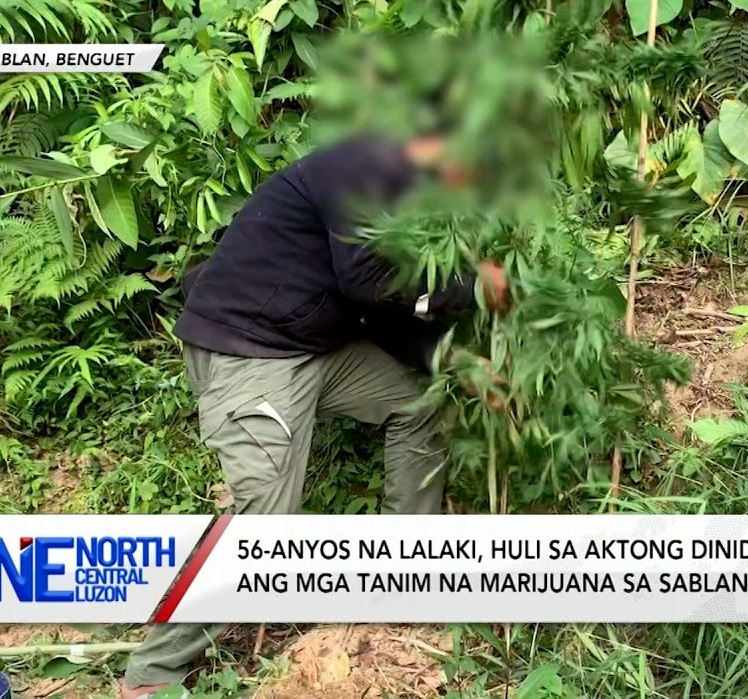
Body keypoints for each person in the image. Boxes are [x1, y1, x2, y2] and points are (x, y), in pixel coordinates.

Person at [118, 132, 509, 698]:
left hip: (313, 348)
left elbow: (379, 311)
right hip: (246, 351)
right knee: (266, 524)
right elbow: (368, 282)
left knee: (424, 397)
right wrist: (472, 289)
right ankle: (153, 671)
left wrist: (457, 363)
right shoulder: (360, 164)